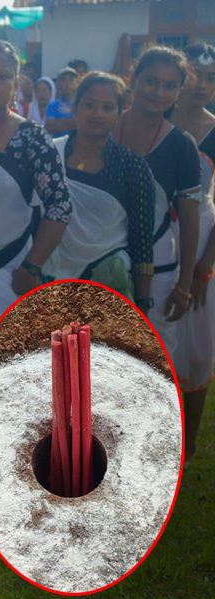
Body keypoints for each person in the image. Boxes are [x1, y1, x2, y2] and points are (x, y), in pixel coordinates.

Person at [0, 40, 72, 374]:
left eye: (2, 76)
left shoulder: (31, 138)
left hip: (5, 274)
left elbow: (59, 207)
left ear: (16, 83)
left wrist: (31, 268)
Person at [115, 47, 202, 362]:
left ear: (179, 92)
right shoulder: (105, 127)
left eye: (170, 86)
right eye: (151, 81)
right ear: (133, 80)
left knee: (152, 364)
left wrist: (184, 284)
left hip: (160, 271)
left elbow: (191, 220)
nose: (159, 92)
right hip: (99, 262)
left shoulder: (181, 145)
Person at [43, 73, 155, 302]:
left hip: (108, 283)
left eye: (107, 107)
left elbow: (141, 241)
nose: (97, 114)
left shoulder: (132, 166)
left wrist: (143, 304)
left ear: (119, 113)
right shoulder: (49, 155)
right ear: (75, 107)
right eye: (90, 105)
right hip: (48, 278)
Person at [169, 43, 215, 464]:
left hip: (201, 241)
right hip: (157, 238)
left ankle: (190, 443)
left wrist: (206, 262)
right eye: (195, 76)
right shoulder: (157, 122)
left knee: (198, 348)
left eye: (212, 78)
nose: (202, 85)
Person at [45, 67, 79, 136]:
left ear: (76, 82)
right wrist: (74, 123)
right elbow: (51, 127)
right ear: (59, 84)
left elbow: (84, 123)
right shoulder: (53, 105)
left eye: (71, 80)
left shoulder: (81, 103)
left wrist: (61, 121)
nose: (67, 84)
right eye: (63, 81)